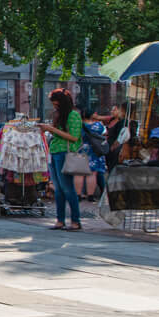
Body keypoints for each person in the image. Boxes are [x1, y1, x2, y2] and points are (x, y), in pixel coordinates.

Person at [42, 88, 84, 231]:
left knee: (68, 188)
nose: (54, 106)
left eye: (56, 104)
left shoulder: (73, 115)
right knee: (58, 189)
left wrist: (51, 129)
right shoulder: (60, 115)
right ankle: (60, 220)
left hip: (65, 153)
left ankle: (75, 221)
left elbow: (74, 137)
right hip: (54, 152)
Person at [79, 118, 108, 201]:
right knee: (92, 174)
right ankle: (90, 196)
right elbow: (105, 134)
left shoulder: (78, 123)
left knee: (79, 173)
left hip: (81, 149)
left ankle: (78, 195)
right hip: (95, 149)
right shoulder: (99, 125)